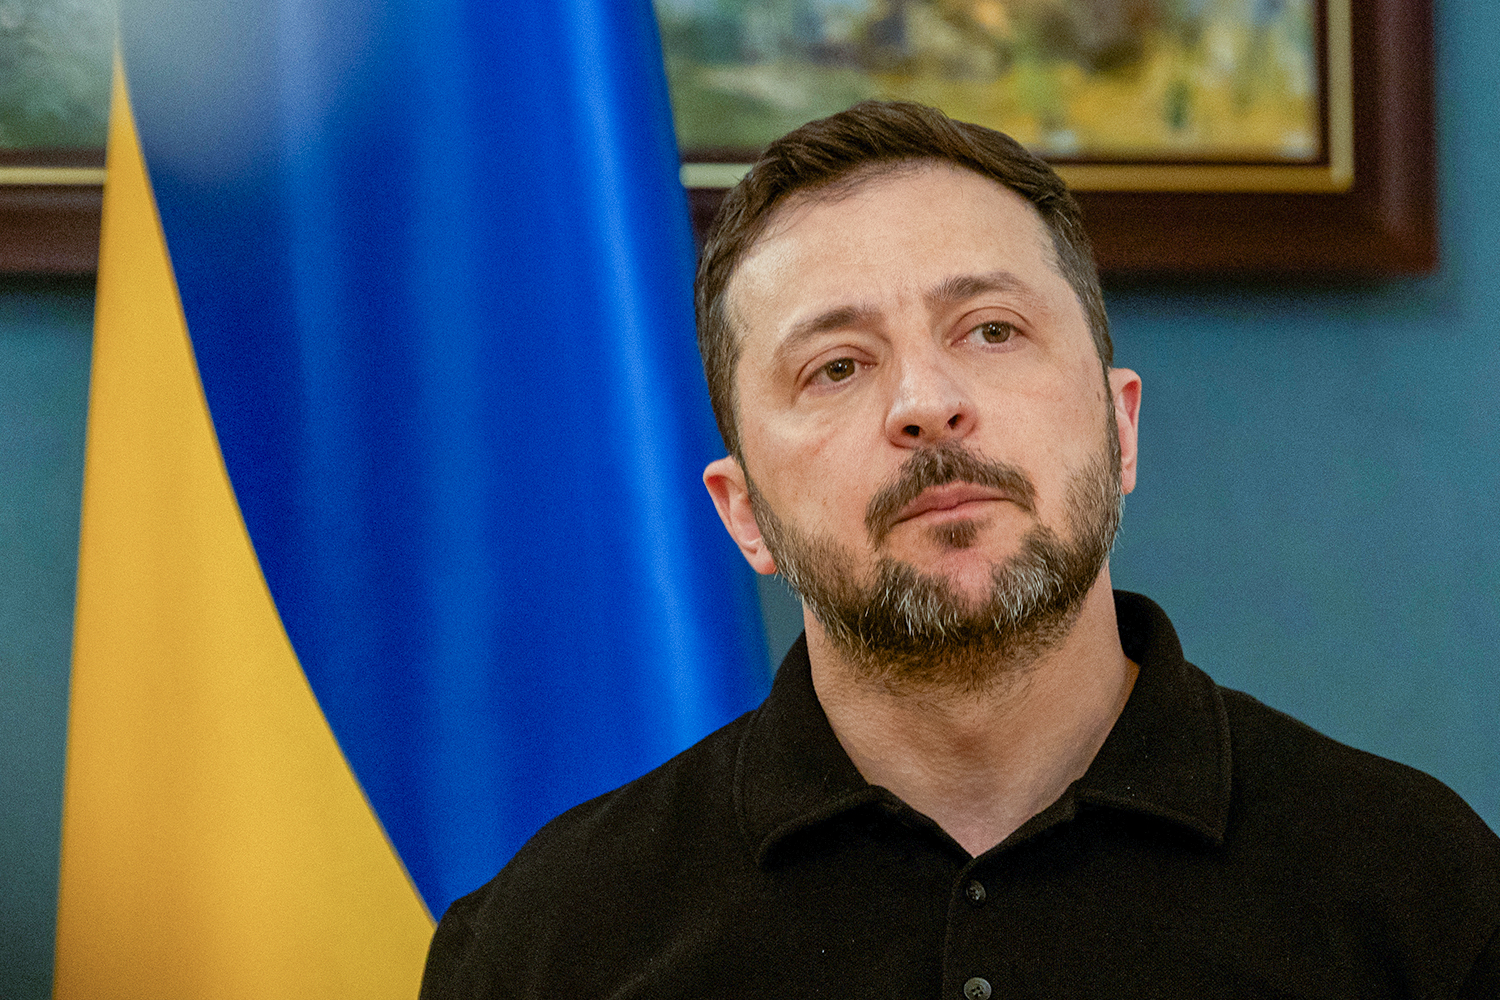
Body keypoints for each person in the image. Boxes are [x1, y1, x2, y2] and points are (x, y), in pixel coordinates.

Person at [419, 101, 1499, 998]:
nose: (927, 404)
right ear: (741, 513)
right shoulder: (542, 948)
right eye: (836, 366)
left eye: (990, 329)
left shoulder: (1425, 898)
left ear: (1120, 429)